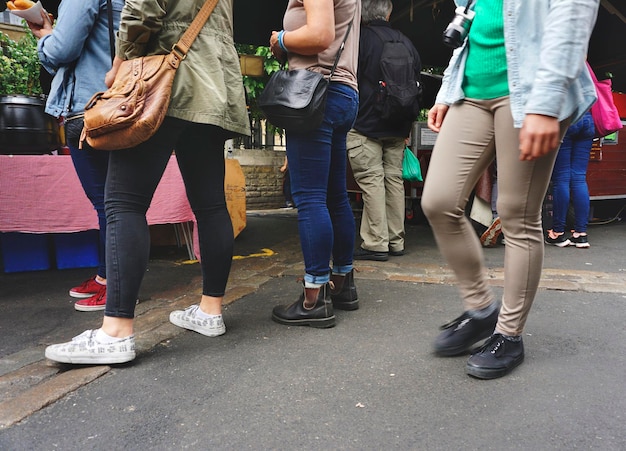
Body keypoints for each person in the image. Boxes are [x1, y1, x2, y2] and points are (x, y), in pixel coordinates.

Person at [44, 0, 250, 364]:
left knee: (124, 203)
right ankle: (210, 310)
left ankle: (116, 332)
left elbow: (142, 11)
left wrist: (119, 67)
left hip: (164, 78)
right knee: (211, 204)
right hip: (216, 84)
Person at [421, 0, 599, 379]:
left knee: (517, 214)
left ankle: (509, 333)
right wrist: (444, 94)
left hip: (530, 91)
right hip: (471, 92)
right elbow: (472, 23)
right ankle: (482, 310)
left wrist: (548, 103)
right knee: (438, 202)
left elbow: (572, 16)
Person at [26, 0, 123, 312]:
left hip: (90, 109)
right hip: (110, 104)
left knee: (111, 204)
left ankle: (118, 286)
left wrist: (45, 35)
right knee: (112, 202)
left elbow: (60, 51)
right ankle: (109, 277)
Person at [269, 0, 362, 327]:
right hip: (342, 91)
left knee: (310, 197)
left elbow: (320, 35)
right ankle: (343, 283)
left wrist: (281, 40)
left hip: (314, 91)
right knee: (335, 196)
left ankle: (314, 297)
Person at [347, 0, 421, 262]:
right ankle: (395, 240)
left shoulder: (360, 39)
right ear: (389, 13)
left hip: (365, 124)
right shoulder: (405, 41)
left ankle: (376, 243)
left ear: (362, 14)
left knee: (372, 181)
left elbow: (348, 77)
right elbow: (416, 82)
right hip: (398, 124)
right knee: (393, 181)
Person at [546, 110, 595, 248]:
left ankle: (558, 232)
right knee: (579, 178)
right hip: (587, 119)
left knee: (561, 178)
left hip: (566, 119)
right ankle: (580, 234)